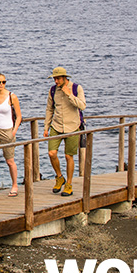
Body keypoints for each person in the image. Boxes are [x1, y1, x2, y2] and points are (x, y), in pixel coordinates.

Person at [44, 67, 86, 197]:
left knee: (69, 156)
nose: (56, 81)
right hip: (56, 126)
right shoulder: (52, 90)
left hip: (72, 126)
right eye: (54, 79)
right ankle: (59, 177)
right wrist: (46, 127)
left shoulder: (76, 88)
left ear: (64, 78)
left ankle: (68, 184)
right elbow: (49, 109)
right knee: (52, 153)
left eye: (58, 78)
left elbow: (82, 105)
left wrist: (69, 94)